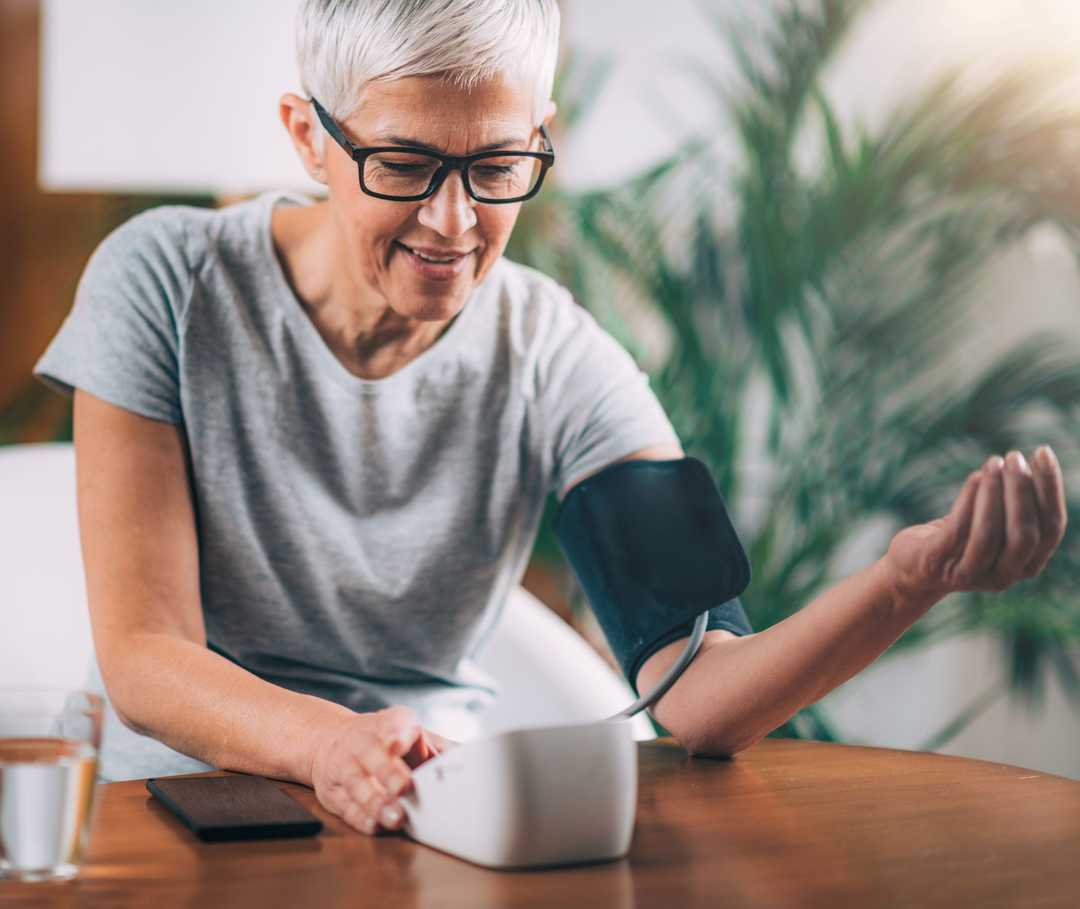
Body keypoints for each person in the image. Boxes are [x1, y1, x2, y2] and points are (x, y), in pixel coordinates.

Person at [34, 0, 1066, 839]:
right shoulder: (164, 281)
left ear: (543, 139)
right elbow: (148, 654)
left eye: (495, 168)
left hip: (433, 827)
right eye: (403, 166)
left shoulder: (556, 356)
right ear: (309, 136)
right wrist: (324, 744)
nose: (455, 223)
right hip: (174, 817)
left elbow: (696, 690)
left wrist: (904, 581)